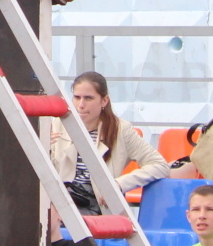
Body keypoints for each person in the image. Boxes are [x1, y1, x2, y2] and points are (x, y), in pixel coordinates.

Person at [49, 72, 174, 207]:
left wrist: (119, 184)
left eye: (88, 98)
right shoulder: (57, 125)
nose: (81, 105)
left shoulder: (121, 129)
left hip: (99, 205)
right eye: (77, 97)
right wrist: (45, 148)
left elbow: (160, 166)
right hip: (61, 203)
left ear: (104, 101)